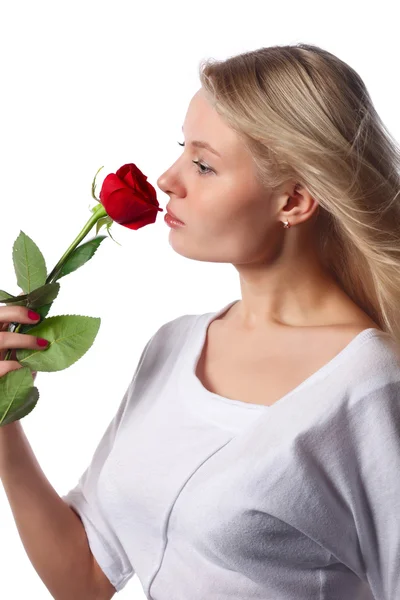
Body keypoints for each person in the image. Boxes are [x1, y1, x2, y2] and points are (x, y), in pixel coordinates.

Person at [1, 42, 400, 600]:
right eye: (181, 150)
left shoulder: (374, 387)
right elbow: (84, 578)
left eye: (204, 164)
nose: (167, 178)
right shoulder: (174, 345)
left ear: (294, 200)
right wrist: (3, 422)